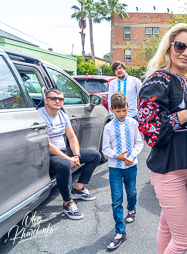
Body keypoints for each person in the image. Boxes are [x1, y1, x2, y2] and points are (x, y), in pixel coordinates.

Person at [138, 23, 187, 254]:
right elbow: (149, 130)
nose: (186, 53)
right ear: (169, 47)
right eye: (180, 46)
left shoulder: (186, 82)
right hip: (168, 170)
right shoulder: (159, 80)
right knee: (183, 240)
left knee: (167, 226)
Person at [38, 88, 101, 220]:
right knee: (65, 163)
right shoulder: (40, 116)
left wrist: (76, 155)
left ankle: (78, 188)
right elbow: (47, 145)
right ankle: (68, 203)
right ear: (45, 101)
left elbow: (72, 138)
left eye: (60, 99)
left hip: (64, 150)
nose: (57, 101)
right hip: (49, 155)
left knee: (95, 155)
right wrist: (69, 158)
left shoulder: (62, 115)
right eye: (53, 98)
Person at [102, 92, 144, 250]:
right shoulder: (108, 127)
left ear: (128, 108)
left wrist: (132, 156)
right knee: (116, 200)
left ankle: (132, 209)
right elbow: (105, 148)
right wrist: (116, 156)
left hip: (131, 166)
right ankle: (120, 232)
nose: (121, 114)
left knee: (132, 192)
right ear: (111, 109)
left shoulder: (133, 123)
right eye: (117, 111)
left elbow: (138, 143)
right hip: (115, 169)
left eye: (124, 111)